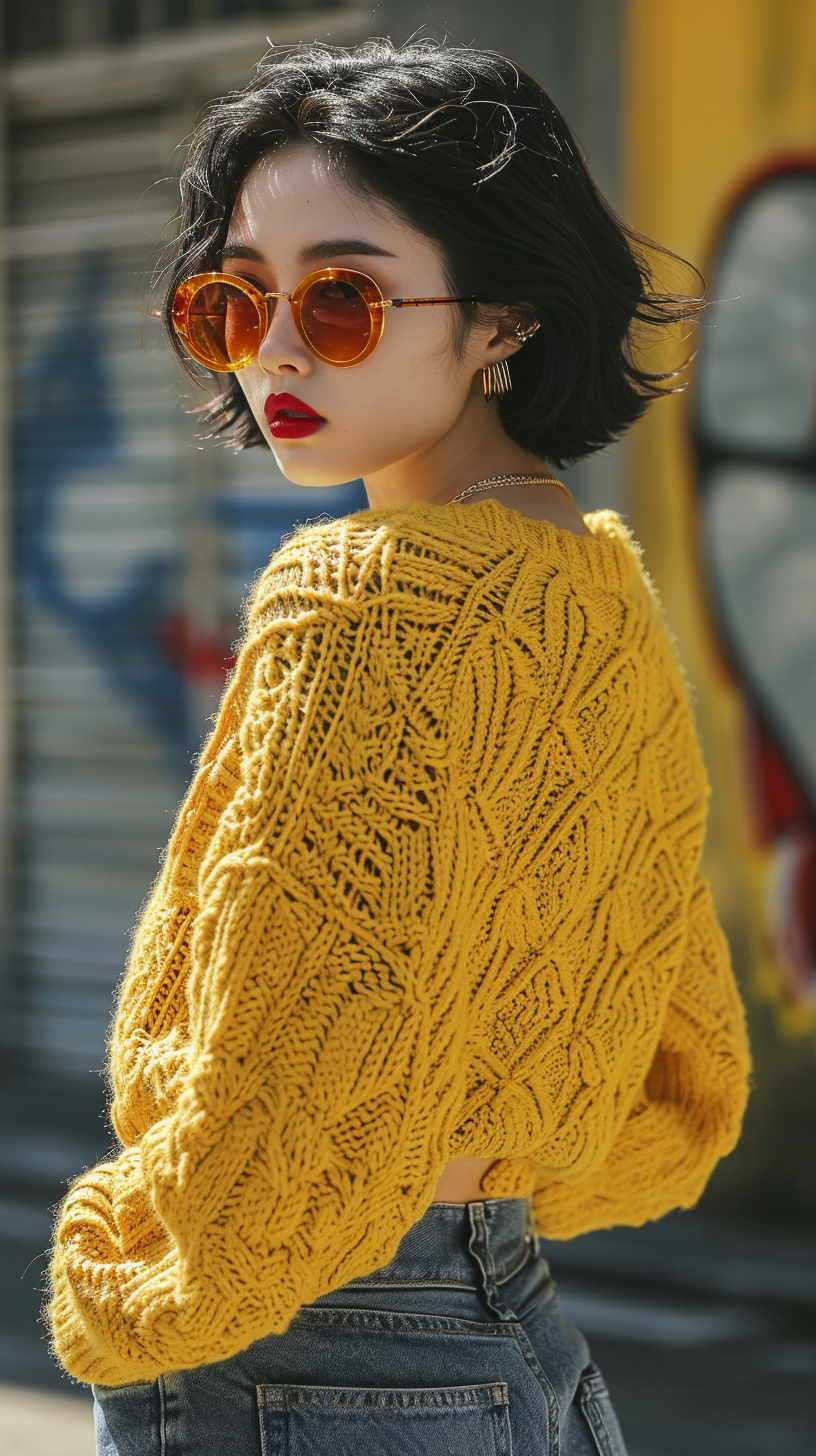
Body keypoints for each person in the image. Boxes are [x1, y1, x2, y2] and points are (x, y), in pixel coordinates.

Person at [47, 37, 751, 1456]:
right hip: (522, 1344)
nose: (278, 350)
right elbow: (685, 1072)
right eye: (235, 298)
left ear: (502, 319)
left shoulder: (364, 600)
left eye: (345, 297)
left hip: (312, 1354)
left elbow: (272, 1079)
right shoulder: (596, 594)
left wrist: (123, 1283)